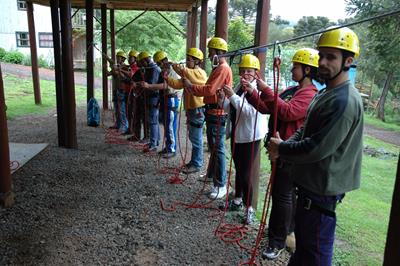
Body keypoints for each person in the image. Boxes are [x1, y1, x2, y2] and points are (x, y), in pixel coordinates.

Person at [267, 27, 363, 265]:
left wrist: (282, 149)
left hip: (322, 192)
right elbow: (305, 129)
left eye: (331, 57)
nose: (322, 62)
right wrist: (284, 145)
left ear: (348, 61)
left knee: (316, 255)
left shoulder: (344, 100)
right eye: (321, 55)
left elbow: (316, 147)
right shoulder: (325, 93)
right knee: (305, 250)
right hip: (310, 187)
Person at [244, 48, 320, 259]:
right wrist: (251, 92)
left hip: (289, 152)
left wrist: (267, 89)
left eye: (295, 66)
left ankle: (277, 241)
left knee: (282, 196)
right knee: (284, 196)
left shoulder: (309, 94)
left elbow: (287, 111)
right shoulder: (292, 90)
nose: (292, 68)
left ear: (306, 69)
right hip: (281, 148)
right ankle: (286, 232)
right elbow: (267, 107)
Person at [219, 54, 268, 224]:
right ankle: (238, 199)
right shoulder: (240, 86)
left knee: (245, 172)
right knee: (239, 168)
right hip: (237, 133)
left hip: (250, 136)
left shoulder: (258, 90)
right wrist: (223, 97)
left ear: (256, 73)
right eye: (243, 70)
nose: (246, 74)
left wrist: (232, 95)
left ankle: (250, 208)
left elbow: (248, 112)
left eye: (249, 71)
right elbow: (229, 107)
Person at [183, 37, 233, 199]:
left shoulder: (222, 69)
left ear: (218, 52)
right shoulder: (219, 68)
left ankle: (221, 185)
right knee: (214, 147)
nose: (210, 55)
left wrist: (192, 87)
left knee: (217, 149)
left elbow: (210, 89)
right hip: (213, 112)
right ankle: (212, 175)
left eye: (211, 52)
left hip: (218, 113)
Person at [167, 48, 207, 173]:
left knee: (196, 138)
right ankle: (194, 161)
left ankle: (197, 163)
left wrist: (174, 65)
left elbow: (187, 73)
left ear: (197, 61)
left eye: (189, 59)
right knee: (193, 136)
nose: (187, 62)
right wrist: (167, 78)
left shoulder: (200, 73)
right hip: (191, 109)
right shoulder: (188, 74)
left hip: (197, 109)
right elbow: (177, 84)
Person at [142, 51, 180, 158]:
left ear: (164, 61)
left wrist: (149, 86)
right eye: (158, 64)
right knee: (167, 125)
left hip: (171, 98)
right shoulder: (164, 71)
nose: (159, 66)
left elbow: (165, 86)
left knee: (170, 126)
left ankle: (172, 149)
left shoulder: (171, 71)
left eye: (160, 63)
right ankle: (168, 147)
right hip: (165, 98)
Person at [137, 51, 161, 152]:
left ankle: (153, 144)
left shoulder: (154, 69)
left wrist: (143, 85)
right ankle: (155, 141)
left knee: (152, 121)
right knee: (153, 120)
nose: (141, 64)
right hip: (150, 97)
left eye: (141, 62)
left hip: (153, 98)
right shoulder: (150, 68)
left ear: (145, 60)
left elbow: (152, 85)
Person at [108, 50, 131, 134]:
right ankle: (118, 124)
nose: (117, 58)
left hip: (122, 90)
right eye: (117, 57)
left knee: (122, 110)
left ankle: (124, 127)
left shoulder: (125, 67)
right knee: (117, 108)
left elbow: (121, 75)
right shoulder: (117, 66)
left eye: (119, 57)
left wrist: (116, 69)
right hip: (117, 89)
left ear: (123, 59)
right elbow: (110, 73)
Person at [127, 49, 139, 136]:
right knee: (129, 111)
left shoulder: (135, 67)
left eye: (130, 57)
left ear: (135, 58)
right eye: (129, 57)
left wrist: (121, 70)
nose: (129, 59)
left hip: (133, 92)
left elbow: (132, 75)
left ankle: (132, 130)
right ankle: (130, 129)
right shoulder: (129, 67)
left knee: (133, 112)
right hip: (129, 91)